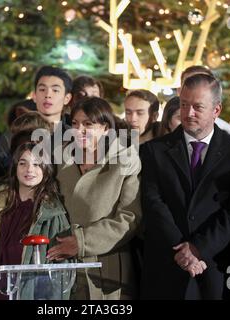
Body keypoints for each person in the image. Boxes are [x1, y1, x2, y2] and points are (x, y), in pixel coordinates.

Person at [140, 73, 230, 299]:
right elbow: (153, 201)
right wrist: (181, 250)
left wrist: (197, 248)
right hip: (166, 261)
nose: (188, 113)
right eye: (184, 105)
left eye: (197, 107)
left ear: (216, 110)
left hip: (215, 264)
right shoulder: (154, 151)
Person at [47, 97, 142, 299]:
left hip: (106, 269)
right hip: (61, 262)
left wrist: (81, 242)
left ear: (105, 128)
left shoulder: (126, 160)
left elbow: (129, 218)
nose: (79, 130)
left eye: (88, 124)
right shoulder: (59, 157)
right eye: (74, 124)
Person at [0, 142, 71, 300]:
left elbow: (59, 270)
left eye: (37, 164)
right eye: (23, 163)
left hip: (31, 294)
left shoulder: (53, 212)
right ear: (15, 167)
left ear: (46, 170)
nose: (29, 170)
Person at [178, 65, 230, 137]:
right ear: (180, 91)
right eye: (188, 84)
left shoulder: (226, 132)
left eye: (201, 84)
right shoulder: (168, 123)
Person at [32, 66, 72, 131]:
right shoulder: (20, 133)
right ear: (34, 96)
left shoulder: (74, 137)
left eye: (55, 90)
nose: (48, 95)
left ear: (67, 98)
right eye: (42, 89)